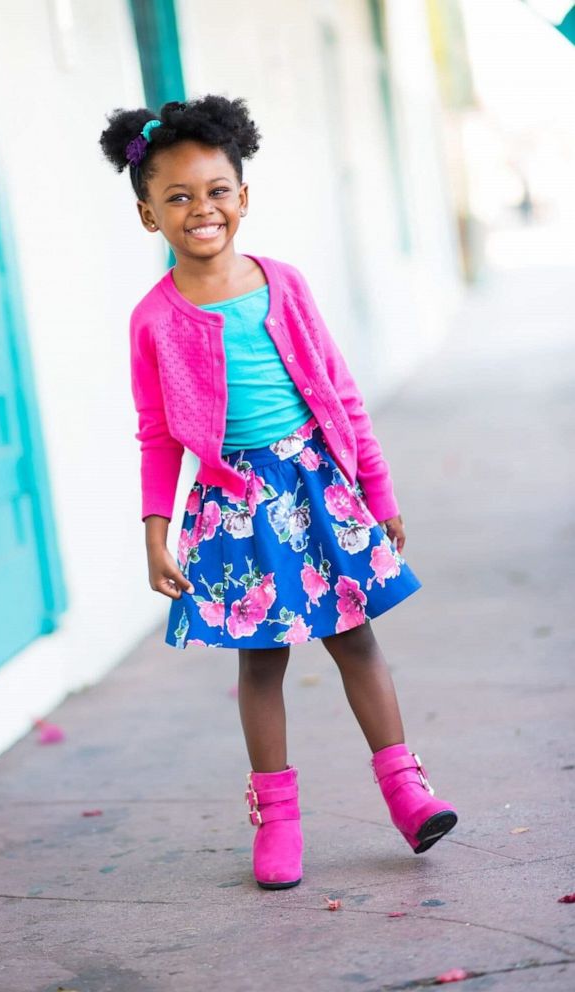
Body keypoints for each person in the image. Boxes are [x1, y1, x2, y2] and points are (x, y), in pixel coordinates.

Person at [99, 94, 457, 890]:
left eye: (218, 190)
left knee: (356, 639)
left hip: (319, 484)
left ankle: (407, 792)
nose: (203, 209)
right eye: (179, 196)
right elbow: (157, 433)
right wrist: (155, 530)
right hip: (233, 504)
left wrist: (378, 490)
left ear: (243, 198)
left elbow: (342, 392)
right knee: (261, 662)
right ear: (147, 214)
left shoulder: (283, 284)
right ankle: (277, 819)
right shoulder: (153, 319)